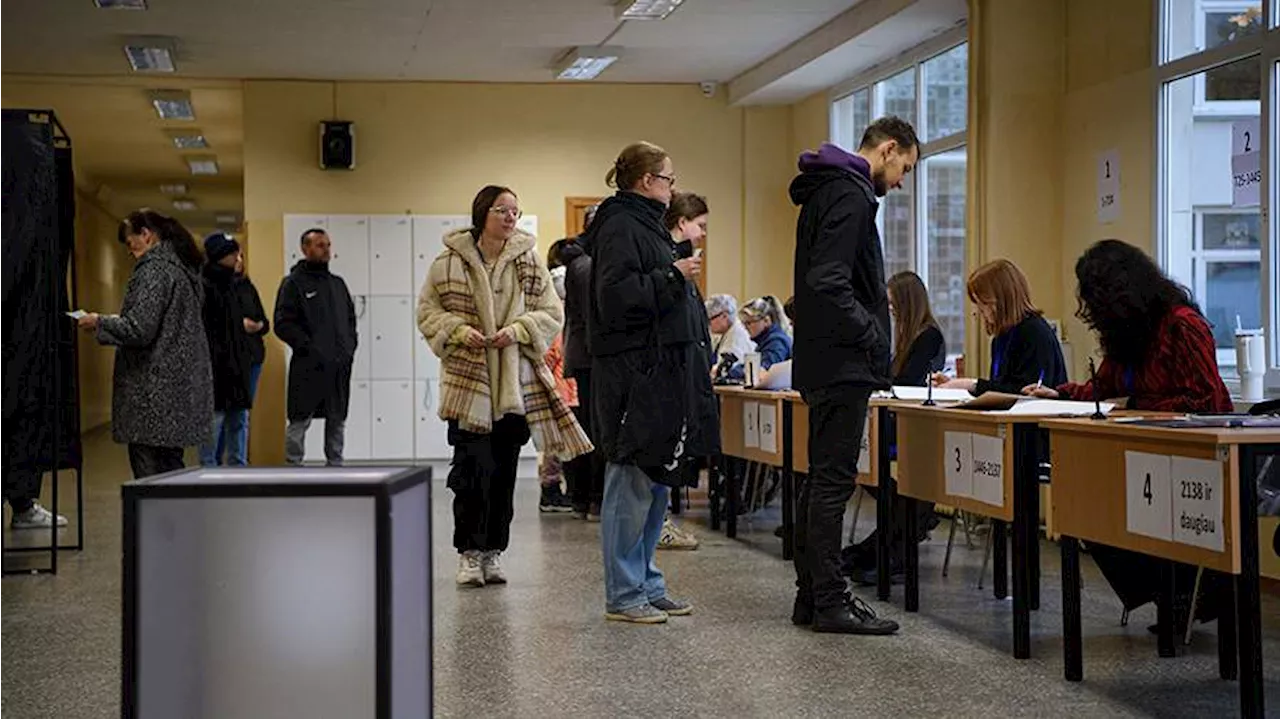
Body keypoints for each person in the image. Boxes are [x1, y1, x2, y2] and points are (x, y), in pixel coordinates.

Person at [1024, 239, 1232, 632]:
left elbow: (1204, 400)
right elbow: (1105, 391)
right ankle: (1169, 595)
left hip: (1194, 454)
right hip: (1143, 449)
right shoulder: (1127, 335)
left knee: (1125, 509)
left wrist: (1138, 403)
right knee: (1085, 511)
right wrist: (1062, 392)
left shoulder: (1182, 324)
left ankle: (1187, 595)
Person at [418, 185, 591, 588]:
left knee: (504, 475)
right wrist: (458, 331)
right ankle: (468, 553)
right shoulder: (448, 263)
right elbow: (428, 311)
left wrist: (518, 330)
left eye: (515, 211)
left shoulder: (527, 262)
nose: (511, 217)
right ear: (483, 215)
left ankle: (494, 552)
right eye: (502, 210)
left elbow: (551, 313)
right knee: (470, 473)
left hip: (516, 385)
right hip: (468, 383)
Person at [789, 117, 919, 635]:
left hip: (823, 359)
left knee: (820, 480)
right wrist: (872, 334)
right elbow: (828, 281)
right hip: (843, 362)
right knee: (832, 483)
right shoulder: (851, 194)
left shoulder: (828, 190)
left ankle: (811, 596)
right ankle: (829, 601)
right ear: (888, 150)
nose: (902, 180)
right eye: (904, 167)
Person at [586, 142, 719, 623]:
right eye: (668, 178)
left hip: (662, 373)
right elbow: (616, 297)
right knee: (631, 481)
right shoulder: (620, 225)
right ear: (646, 181)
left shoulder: (647, 225)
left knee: (657, 479)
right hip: (634, 376)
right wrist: (673, 273)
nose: (673, 186)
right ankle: (623, 594)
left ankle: (645, 581)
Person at [78, 209, 213, 479]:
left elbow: (140, 329)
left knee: (150, 475)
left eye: (130, 244)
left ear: (146, 235)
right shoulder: (184, 269)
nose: (129, 252)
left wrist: (99, 322)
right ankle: (179, 521)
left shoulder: (154, 270)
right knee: (171, 468)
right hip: (176, 388)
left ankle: (158, 523)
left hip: (151, 391)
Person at [842, 271, 946, 583]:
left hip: (912, 428)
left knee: (895, 487)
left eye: (892, 302)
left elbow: (906, 382)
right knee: (884, 485)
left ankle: (888, 548)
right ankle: (887, 544)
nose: (889, 309)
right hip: (895, 423)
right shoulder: (905, 337)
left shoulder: (928, 337)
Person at [657, 191, 715, 552]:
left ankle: (662, 520)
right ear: (682, 223)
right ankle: (659, 524)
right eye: (701, 225)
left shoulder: (686, 268)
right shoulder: (670, 266)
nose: (704, 234)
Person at [274, 228, 358, 466]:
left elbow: (350, 321)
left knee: (337, 418)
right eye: (320, 245)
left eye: (328, 245)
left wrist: (349, 349)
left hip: (339, 366)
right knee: (300, 420)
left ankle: (335, 465)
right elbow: (282, 323)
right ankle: (293, 466)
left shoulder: (337, 284)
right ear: (305, 249)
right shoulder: (293, 284)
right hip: (308, 366)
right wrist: (308, 348)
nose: (326, 250)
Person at [935, 259, 1067, 395]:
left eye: (984, 303)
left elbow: (1028, 391)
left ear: (1003, 300)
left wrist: (972, 385)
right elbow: (1001, 387)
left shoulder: (1034, 333)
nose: (979, 311)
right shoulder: (1002, 337)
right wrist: (954, 384)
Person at [562, 208, 606, 521]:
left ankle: (583, 497)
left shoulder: (578, 262)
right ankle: (594, 498)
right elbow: (596, 316)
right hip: (593, 357)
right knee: (596, 429)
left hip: (583, 355)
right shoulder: (589, 265)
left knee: (587, 426)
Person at [197, 233, 257, 466]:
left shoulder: (236, 285)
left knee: (239, 420)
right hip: (215, 367)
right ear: (219, 255)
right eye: (232, 253)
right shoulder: (204, 287)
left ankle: (237, 469)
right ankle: (208, 469)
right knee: (214, 421)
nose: (237, 257)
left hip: (238, 364)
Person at [214, 251, 269, 463]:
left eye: (240, 257)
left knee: (241, 415)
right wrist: (239, 325)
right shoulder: (214, 288)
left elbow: (264, 321)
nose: (238, 262)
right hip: (224, 361)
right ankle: (212, 465)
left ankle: (238, 465)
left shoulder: (248, 287)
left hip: (251, 359)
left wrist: (258, 325)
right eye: (233, 257)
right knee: (218, 416)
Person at [537, 239, 575, 513]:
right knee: (557, 445)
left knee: (562, 444)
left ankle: (558, 489)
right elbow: (552, 352)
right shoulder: (557, 313)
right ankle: (550, 490)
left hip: (567, 385)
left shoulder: (563, 310)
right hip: (562, 387)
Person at [727, 296, 792, 381]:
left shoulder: (776, 341)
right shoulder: (766, 341)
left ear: (766, 321)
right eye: (744, 324)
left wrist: (731, 371)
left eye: (749, 323)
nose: (745, 327)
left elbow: (761, 369)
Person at [705, 294, 755, 375]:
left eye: (709, 319)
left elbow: (726, 369)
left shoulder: (737, 336)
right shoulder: (726, 333)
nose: (707, 324)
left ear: (724, 316)